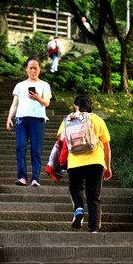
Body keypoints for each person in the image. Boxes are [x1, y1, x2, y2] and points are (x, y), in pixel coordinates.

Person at [57, 95, 112, 233]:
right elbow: (107, 147)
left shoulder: (68, 119)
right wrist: (108, 167)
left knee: (76, 188)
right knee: (93, 195)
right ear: (91, 106)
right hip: (96, 161)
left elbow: (62, 139)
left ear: (75, 106)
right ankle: (93, 229)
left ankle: (79, 209)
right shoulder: (97, 119)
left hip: (75, 162)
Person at [6, 57, 52, 187]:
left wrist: (38, 98)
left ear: (40, 69)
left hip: (37, 120)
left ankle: (35, 178)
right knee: (21, 147)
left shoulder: (44, 85)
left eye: (35, 68)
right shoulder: (20, 85)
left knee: (36, 150)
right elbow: (15, 104)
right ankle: (22, 177)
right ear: (26, 69)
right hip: (21, 120)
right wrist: (10, 118)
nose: (33, 70)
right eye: (30, 67)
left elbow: (47, 103)